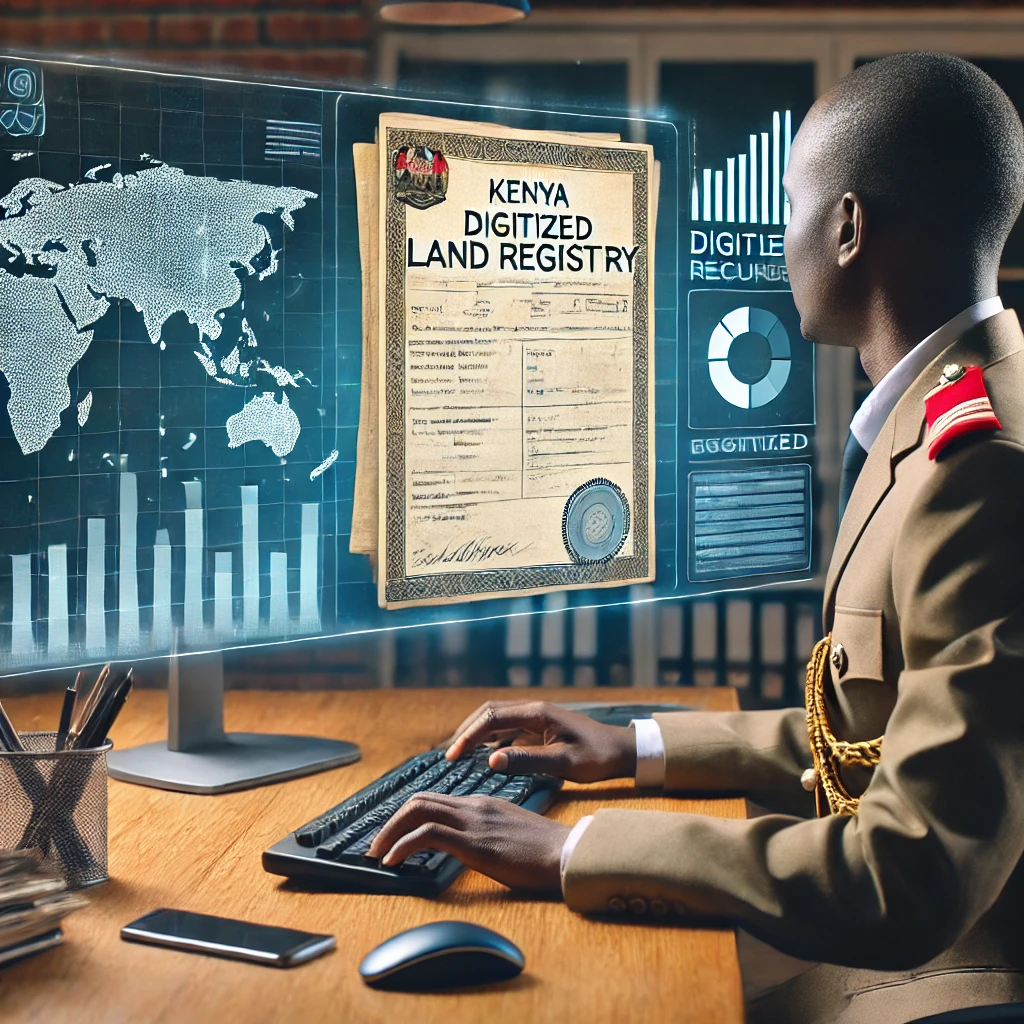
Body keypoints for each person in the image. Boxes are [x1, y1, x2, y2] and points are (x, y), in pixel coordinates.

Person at [370, 52, 1024, 1023]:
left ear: (845, 227)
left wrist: (572, 849)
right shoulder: (949, 415)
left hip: (943, 978)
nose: (777, 241)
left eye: (790, 208)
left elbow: (909, 869)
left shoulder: (978, 466)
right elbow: (875, 739)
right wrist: (629, 747)